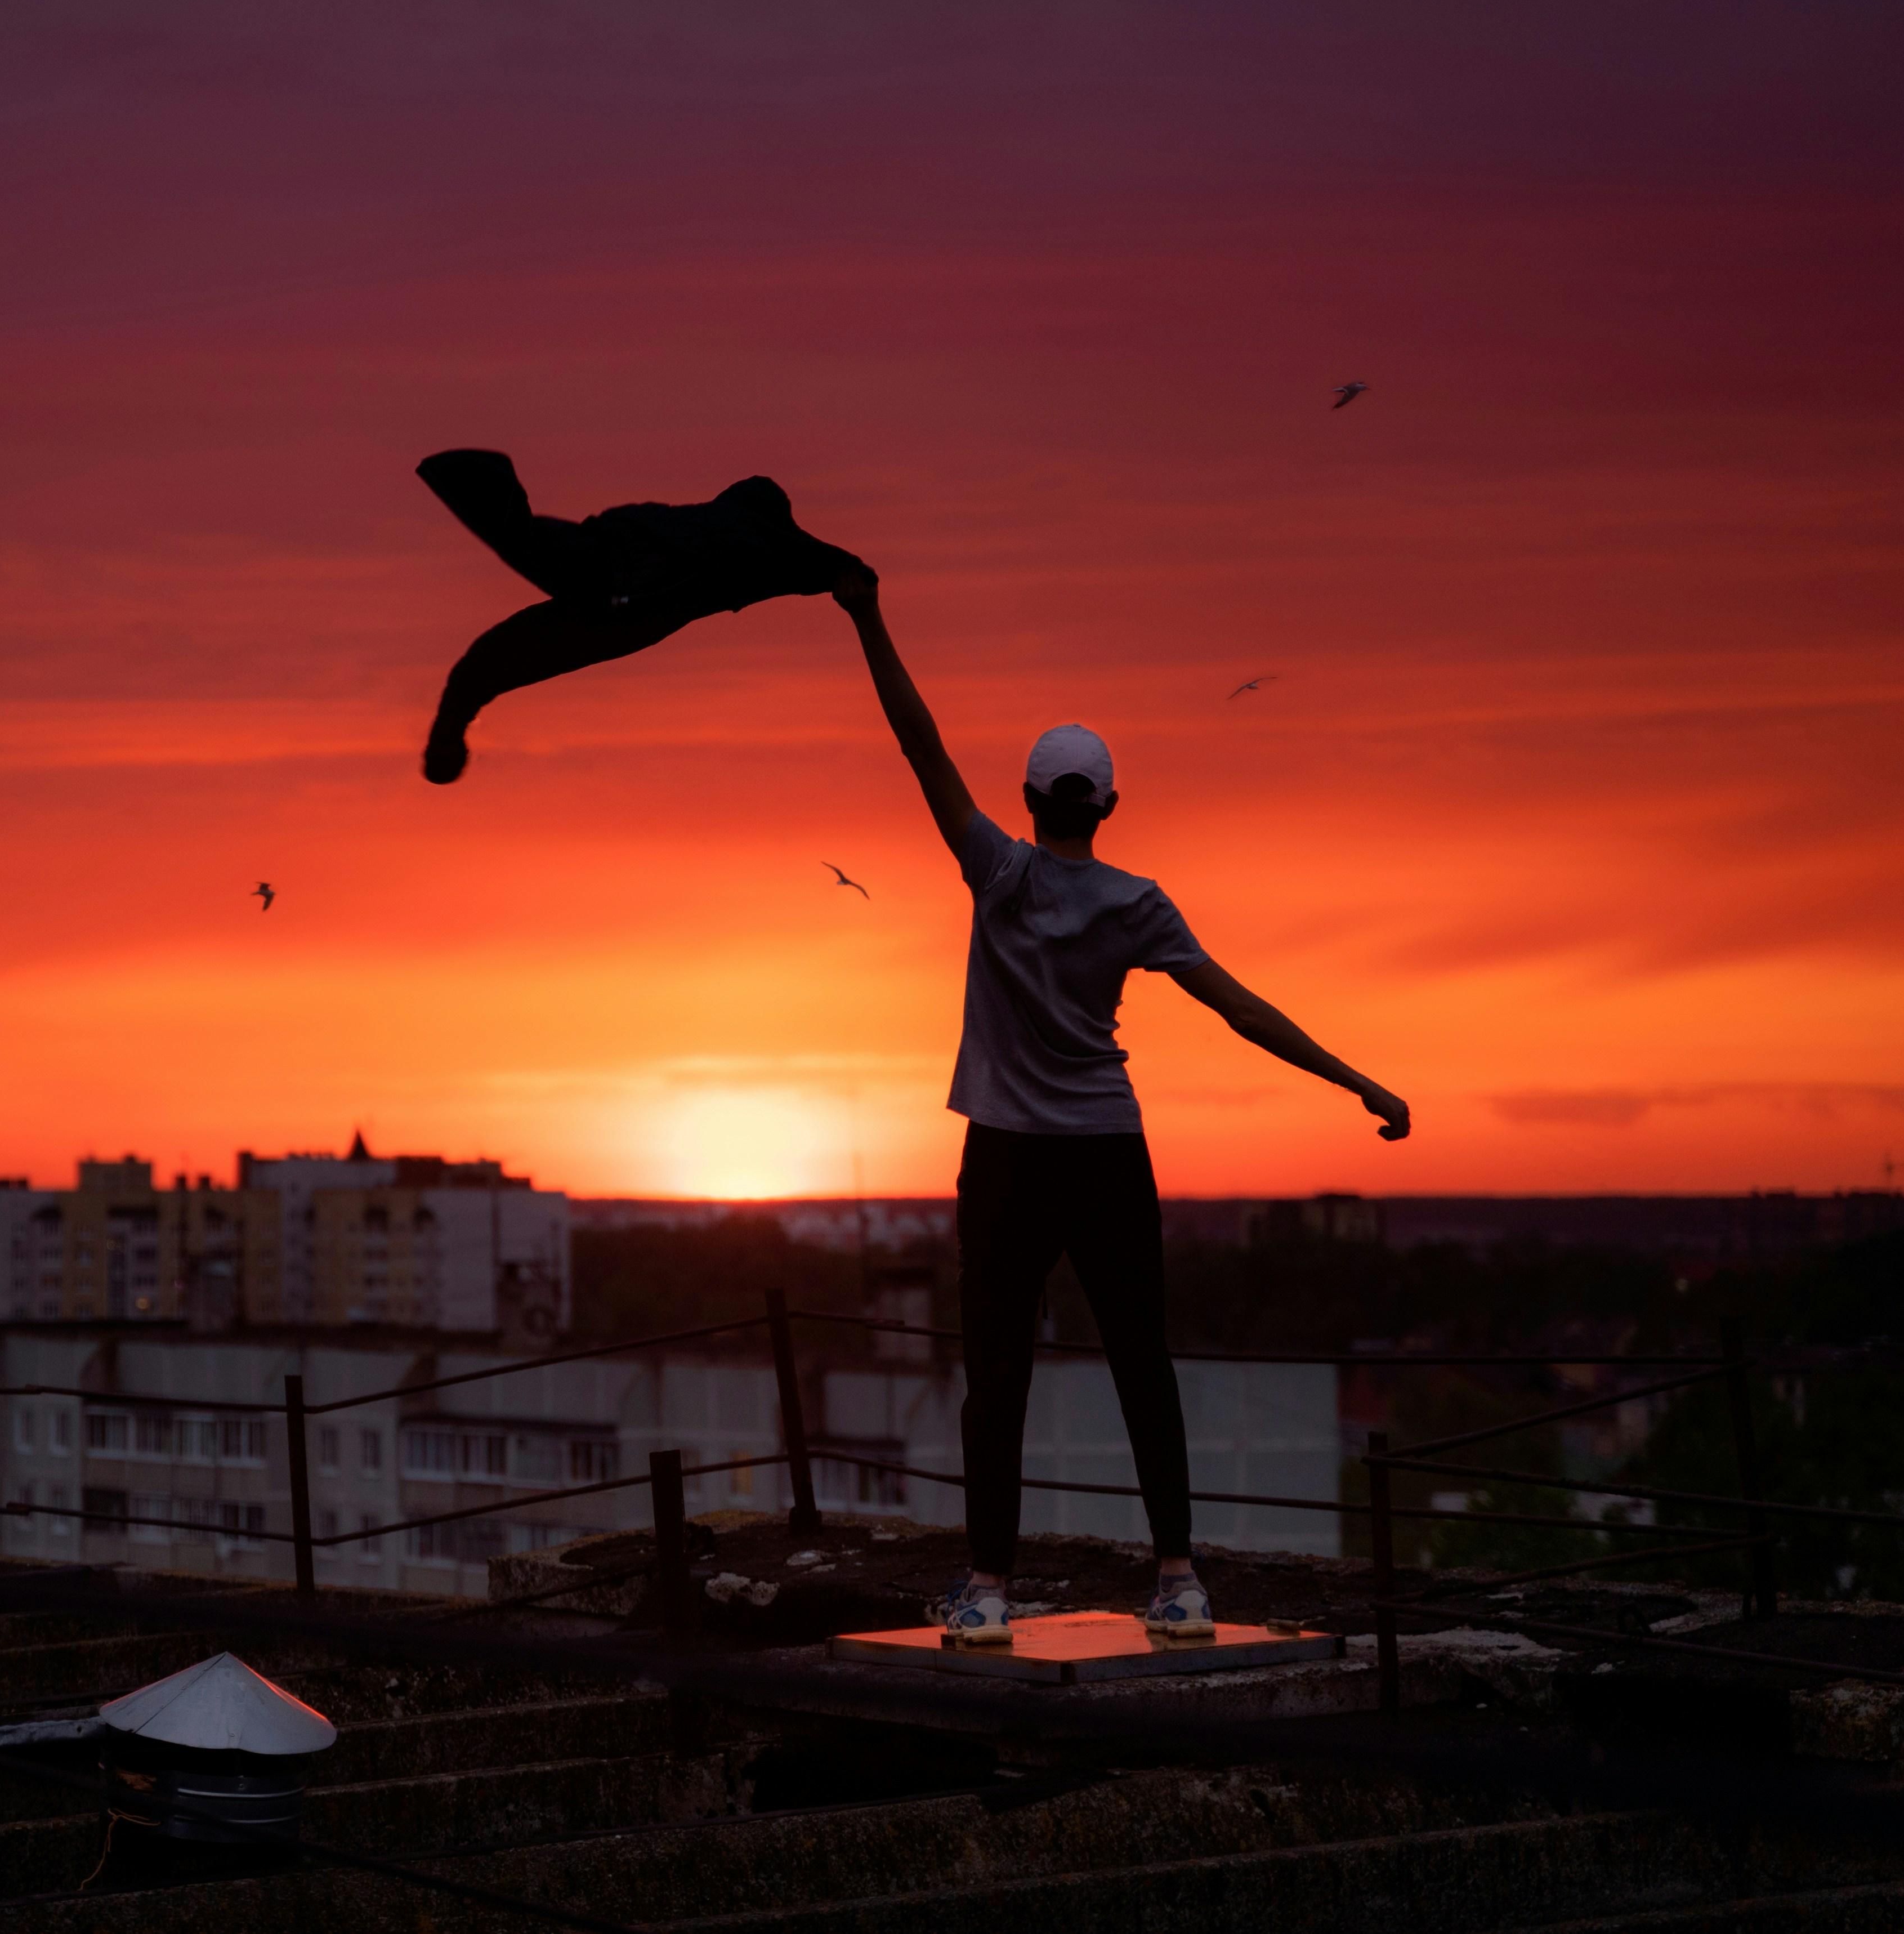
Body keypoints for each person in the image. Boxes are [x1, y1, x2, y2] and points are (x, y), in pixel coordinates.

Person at [832, 561, 1409, 1638]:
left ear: (1027, 804)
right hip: (1107, 1150)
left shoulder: (995, 872)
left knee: (995, 1371)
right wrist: (1359, 1081)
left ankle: (989, 1594)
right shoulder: (1138, 904)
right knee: (1143, 1362)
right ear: (1108, 807)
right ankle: (1181, 1582)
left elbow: (920, 742)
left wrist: (866, 613)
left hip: (1006, 1156)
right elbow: (1242, 1008)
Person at [417, 449, 862, 784]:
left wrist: (846, 574)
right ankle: (449, 736)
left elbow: (823, 561)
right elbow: (824, 560)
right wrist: (856, 582)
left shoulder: (735, 533)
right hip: (625, 596)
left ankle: (448, 737)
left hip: (619, 585)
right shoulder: (756, 544)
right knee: (497, 647)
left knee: (496, 646)